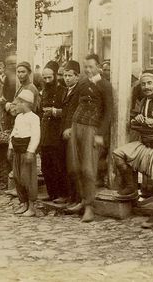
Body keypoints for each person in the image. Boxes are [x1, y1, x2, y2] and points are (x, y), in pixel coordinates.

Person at [113, 72, 153, 229]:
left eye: (149, 83)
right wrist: (137, 119)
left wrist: (145, 121)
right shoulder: (143, 101)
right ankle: (131, 188)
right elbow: (133, 122)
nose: (146, 87)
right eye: (143, 84)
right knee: (118, 154)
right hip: (146, 144)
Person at [66, 54, 113, 223]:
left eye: (91, 67)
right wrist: (69, 127)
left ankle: (89, 208)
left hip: (92, 130)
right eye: (85, 67)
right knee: (75, 167)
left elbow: (108, 112)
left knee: (88, 169)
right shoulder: (83, 83)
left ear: (99, 67)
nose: (88, 70)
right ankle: (82, 201)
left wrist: (100, 134)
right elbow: (73, 105)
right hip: (76, 126)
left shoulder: (105, 85)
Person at [7, 89, 41, 217]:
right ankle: (24, 203)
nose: (16, 106)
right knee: (17, 177)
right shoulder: (18, 118)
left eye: (18, 103)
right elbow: (14, 133)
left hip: (26, 152)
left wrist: (30, 151)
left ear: (25, 104)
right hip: (17, 151)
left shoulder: (34, 118)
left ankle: (32, 206)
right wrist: (10, 147)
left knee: (27, 178)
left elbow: (36, 136)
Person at [39, 64, 68, 202]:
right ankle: (51, 193)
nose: (47, 80)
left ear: (55, 76)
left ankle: (62, 194)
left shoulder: (63, 91)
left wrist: (55, 112)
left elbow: (69, 112)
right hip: (45, 133)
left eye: (49, 77)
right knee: (46, 165)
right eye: (44, 78)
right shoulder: (43, 92)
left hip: (57, 134)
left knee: (58, 165)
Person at [59, 60, 82, 206]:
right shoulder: (65, 90)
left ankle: (77, 198)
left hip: (74, 133)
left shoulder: (79, 91)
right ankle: (70, 196)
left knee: (75, 167)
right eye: (65, 75)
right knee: (66, 166)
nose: (67, 78)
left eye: (70, 76)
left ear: (77, 77)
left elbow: (79, 113)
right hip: (64, 132)